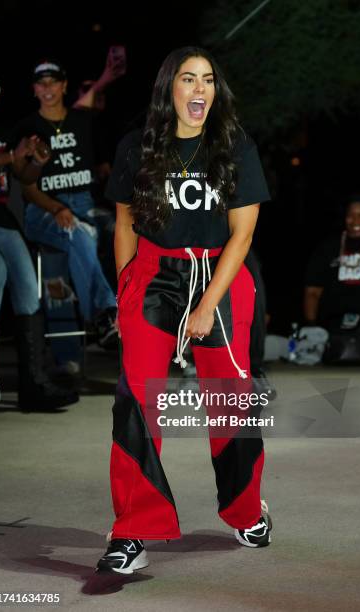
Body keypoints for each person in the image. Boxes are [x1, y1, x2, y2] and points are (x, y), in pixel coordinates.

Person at [96, 47, 272, 575]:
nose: (200, 90)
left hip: (218, 274)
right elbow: (125, 223)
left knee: (232, 400)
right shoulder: (138, 147)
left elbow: (243, 235)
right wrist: (128, 286)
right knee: (135, 400)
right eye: (188, 79)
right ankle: (133, 529)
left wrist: (208, 304)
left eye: (209, 81)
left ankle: (244, 510)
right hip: (153, 277)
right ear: (169, 87)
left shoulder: (234, 146)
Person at [9, 59, 122, 350]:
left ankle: (142, 317)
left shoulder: (82, 120)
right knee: (77, 231)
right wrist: (57, 208)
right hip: (44, 209)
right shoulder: (27, 127)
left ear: (64, 86)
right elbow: (28, 190)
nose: (47, 88)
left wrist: (107, 75)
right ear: (34, 89)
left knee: (122, 229)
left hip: (86, 203)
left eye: (53, 82)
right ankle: (104, 313)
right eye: (41, 83)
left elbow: (90, 100)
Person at [0, 71, 78, 410]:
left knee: (27, 284)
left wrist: (35, 163)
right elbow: (8, 161)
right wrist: (13, 156)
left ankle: (33, 382)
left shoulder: (0, 133)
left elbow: (21, 177)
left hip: (0, 219)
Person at [304, 195, 360, 360]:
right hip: (334, 333)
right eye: (351, 215)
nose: (356, 220)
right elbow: (313, 292)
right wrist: (312, 327)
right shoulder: (328, 247)